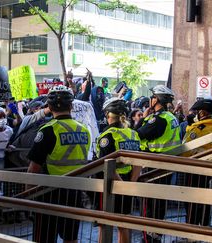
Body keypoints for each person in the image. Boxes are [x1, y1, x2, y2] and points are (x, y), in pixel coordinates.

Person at [27, 85, 90, 243]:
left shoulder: (47, 130)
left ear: (49, 106)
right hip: (75, 193)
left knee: (45, 238)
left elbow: (33, 168)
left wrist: (27, 198)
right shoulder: (84, 130)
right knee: (71, 238)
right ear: (71, 106)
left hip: (50, 194)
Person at [136, 85, 181, 243]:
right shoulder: (170, 117)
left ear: (159, 99)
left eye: (153, 96)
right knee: (159, 202)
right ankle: (156, 236)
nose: (151, 99)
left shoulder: (158, 120)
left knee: (150, 204)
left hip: (154, 166)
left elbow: (137, 135)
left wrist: (140, 120)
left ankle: (149, 237)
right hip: (165, 165)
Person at [96, 98, 141, 243]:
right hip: (128, 182)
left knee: (104, 223)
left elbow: (106, 164)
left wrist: (120, 185)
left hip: (110, 184)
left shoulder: (107, 135)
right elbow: (138, 163)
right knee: (124, 224)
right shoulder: (133, 133)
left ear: (108, 115)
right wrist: (129, 185)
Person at [181, 98, 212, 227]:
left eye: (197, 111)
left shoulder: (199, 128)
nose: (195, 114)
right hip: (207, 167)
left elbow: (185, 148)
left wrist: (190, 127)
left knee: (191, 200)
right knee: (203, 198)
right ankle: (204, 226)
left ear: (202, 113)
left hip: (194, 167)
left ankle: (191, 230)